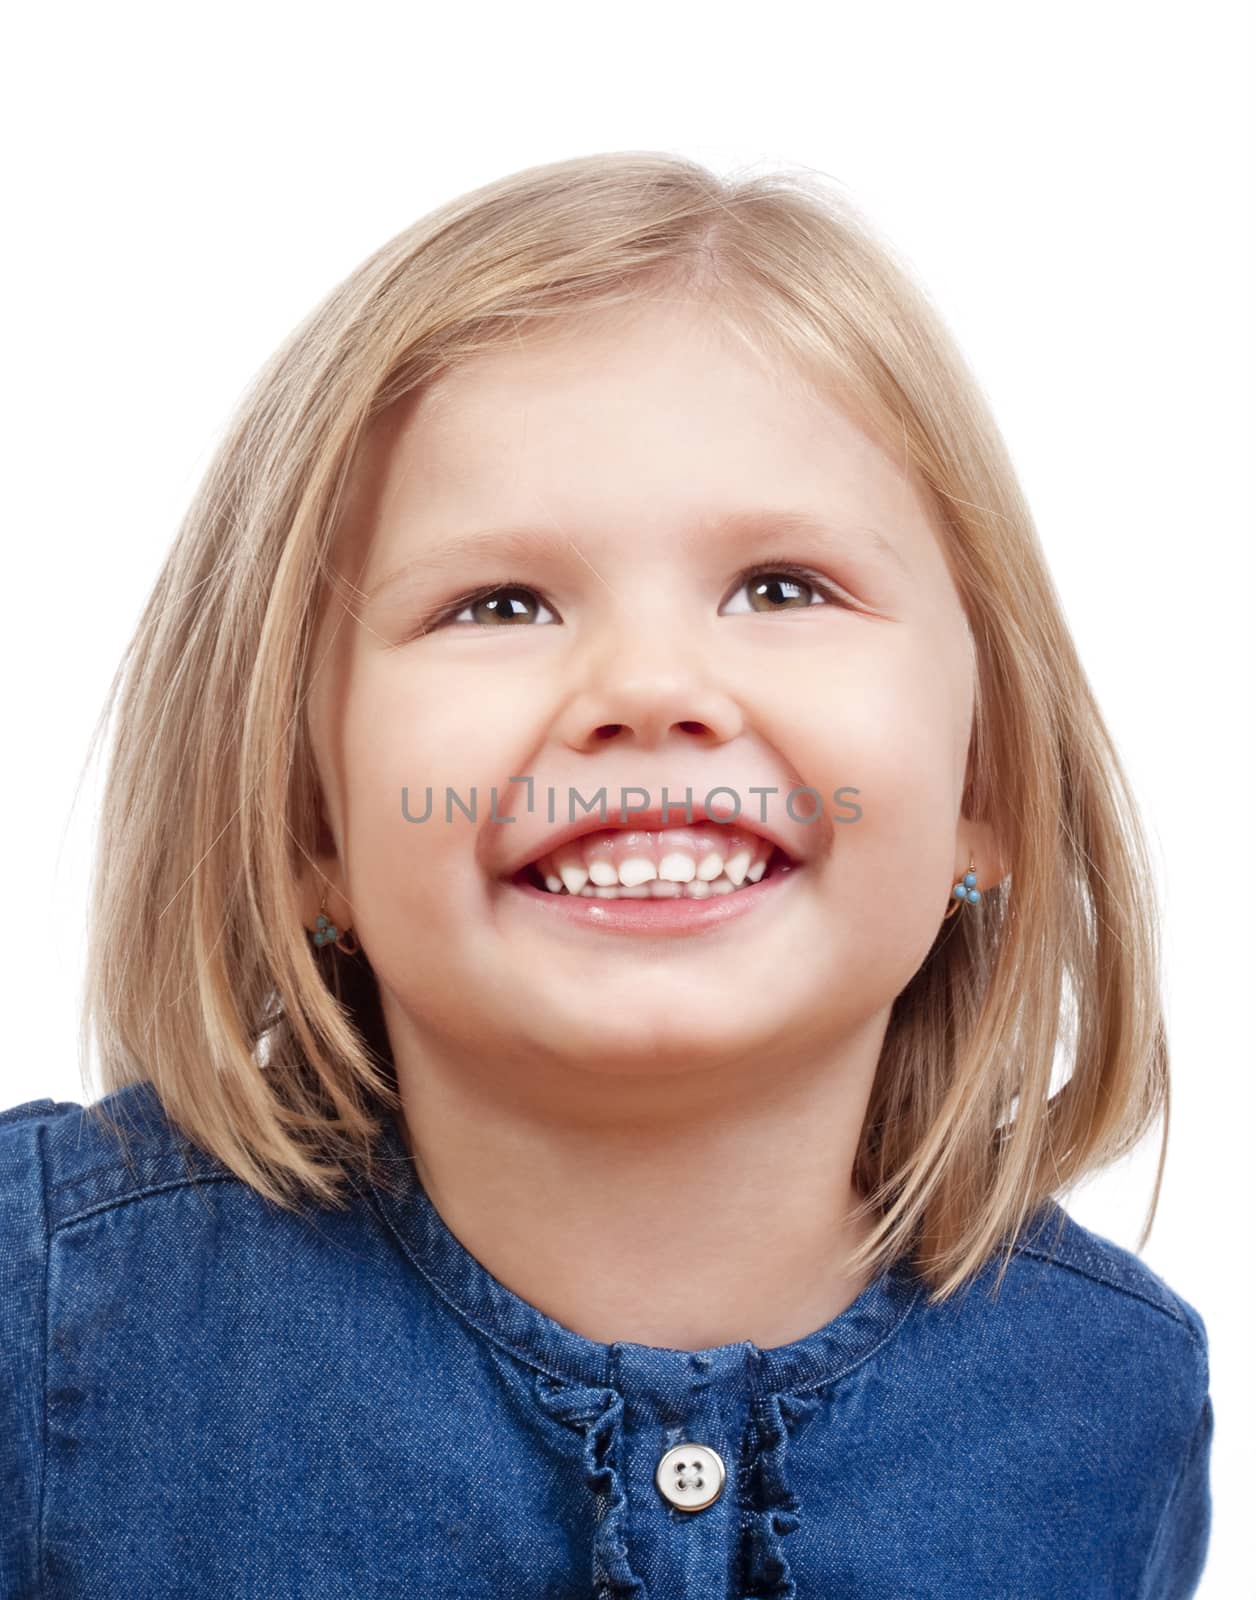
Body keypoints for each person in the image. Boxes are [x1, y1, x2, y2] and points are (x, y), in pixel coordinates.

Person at [0, 151, 1212, 1597]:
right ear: (305, 819)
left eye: (783, 588)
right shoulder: (48, 1303)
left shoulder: (1114, 1394)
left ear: (987, 788)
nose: (647, 686)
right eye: (499, 601)